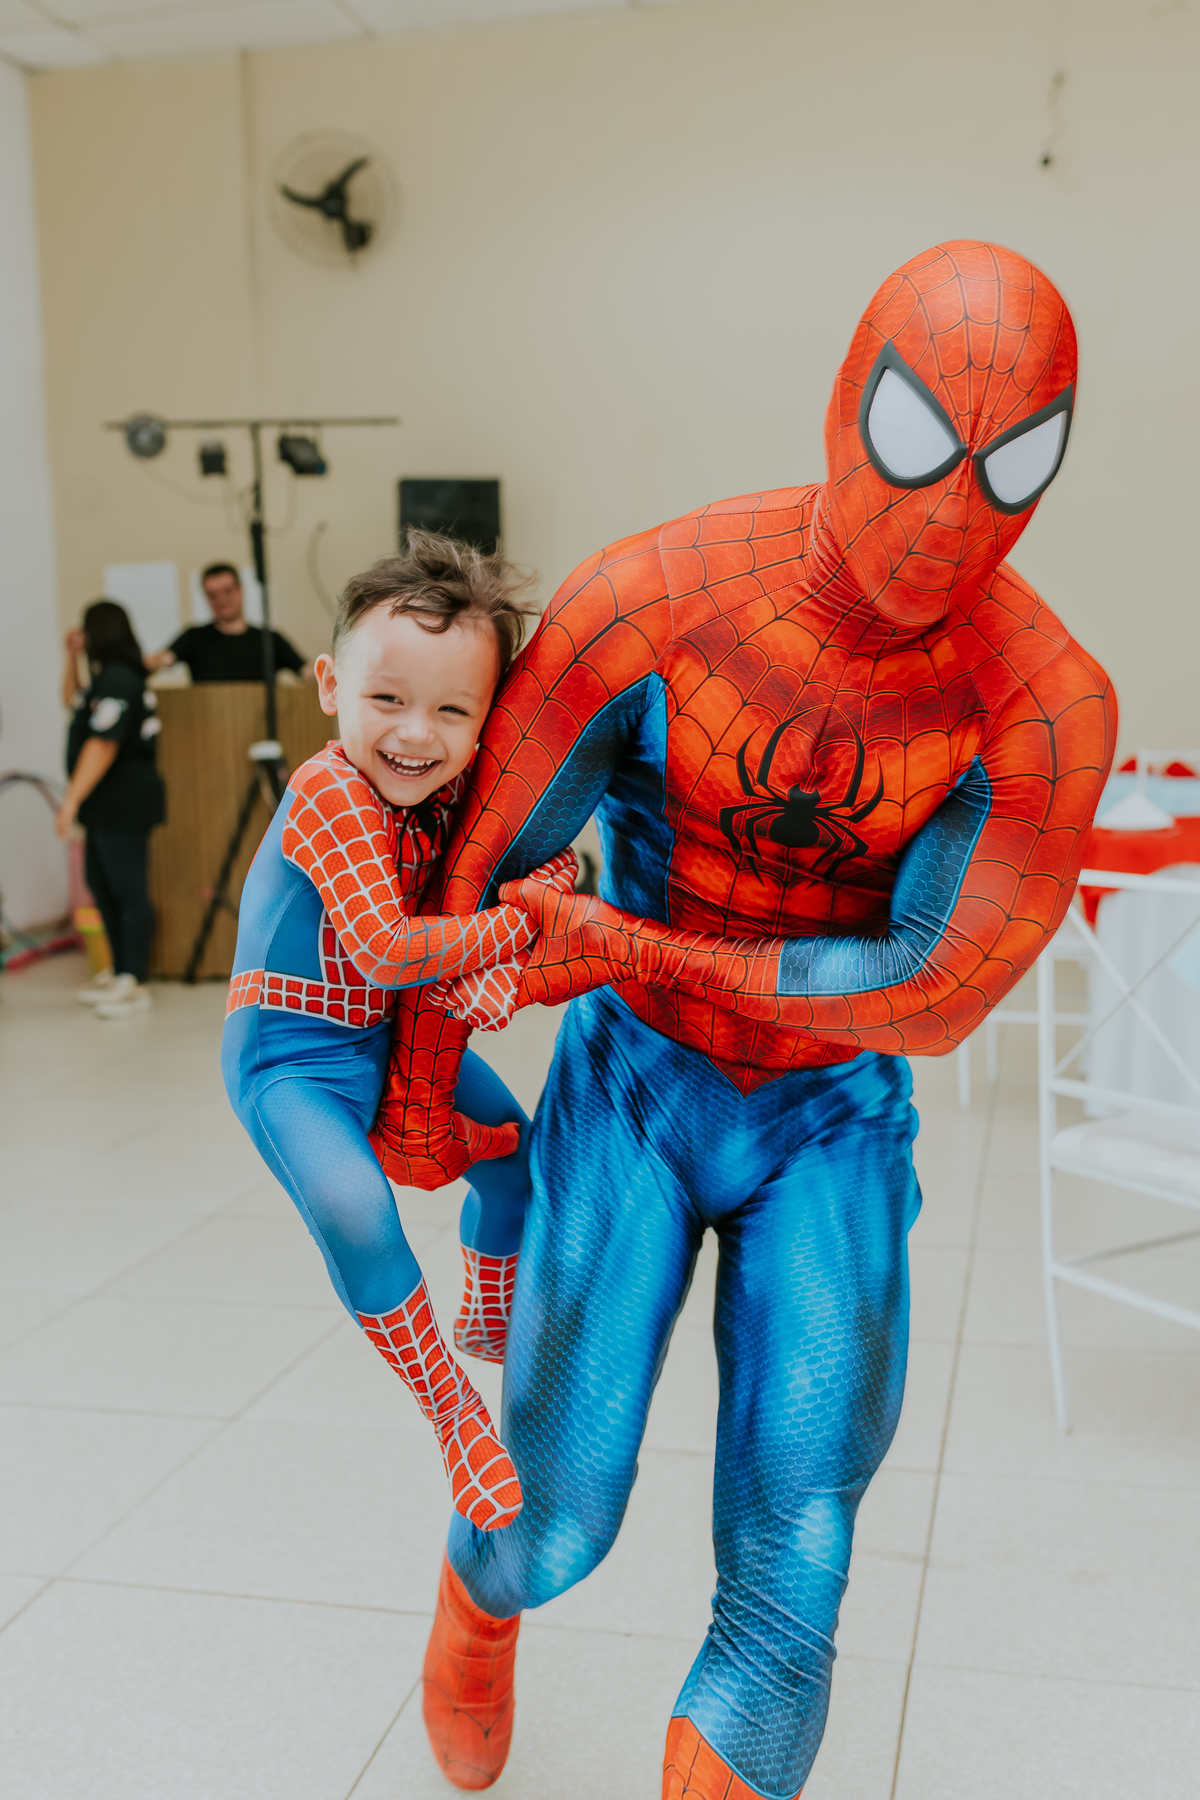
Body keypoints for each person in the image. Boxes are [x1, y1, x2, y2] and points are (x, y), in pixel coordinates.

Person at [371, 242, 1117, 1798]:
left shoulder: (1039, 695)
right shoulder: (656, 600)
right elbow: (478, 861)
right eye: (919, 445)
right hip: (636, 1087)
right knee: (557, 1517)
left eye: (1009, 466)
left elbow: (936, 991)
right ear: (849, 404)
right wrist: (425, 1092)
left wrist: (633, 944)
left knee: (798, 1551)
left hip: (832, 1113)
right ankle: (475, 1607)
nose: (945, 516)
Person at [219, 533, 576, 1533]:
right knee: (355, 1207)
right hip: (288, 1056)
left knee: (517, 1156)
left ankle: (489, 1308)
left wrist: (529, 921)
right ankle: (455, 1418)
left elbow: (545, 864)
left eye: (453, 711)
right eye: (388, 700)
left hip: (385, 1043)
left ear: (486, 724)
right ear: (331, 686)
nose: (416, 734)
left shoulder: (450, 795)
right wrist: (518, 927)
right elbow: (381, 946)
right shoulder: (329, 789)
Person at [60, 600, 166, 1021]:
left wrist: (69, 802)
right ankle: (118, 969)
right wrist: (70, 657)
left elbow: (103, 743)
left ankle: (133, 979)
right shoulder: (105, 678)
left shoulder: (120, 679)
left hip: (124, 801)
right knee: (100, 883)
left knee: (127, 888)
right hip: (104, 804)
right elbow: (72, 699)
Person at [146, 563, 309, 683]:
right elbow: (162, 660)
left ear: (240, 590)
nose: (222, 600)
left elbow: (307, 672)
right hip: (209, 724)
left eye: (227, 591)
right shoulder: (194, 637)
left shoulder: (270, 639)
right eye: (213, 594)